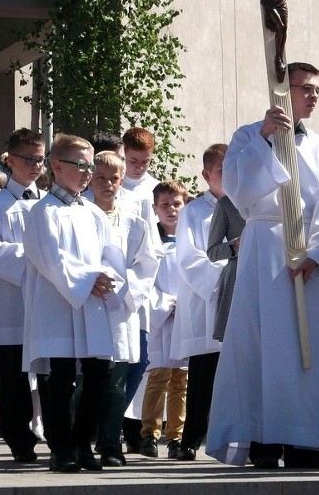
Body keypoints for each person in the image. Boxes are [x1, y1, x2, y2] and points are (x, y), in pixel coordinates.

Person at [206, 61, 319, 469]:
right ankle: (263, 440)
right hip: (262, 248)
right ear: (283, 91)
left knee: (304, 352)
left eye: (318, 90)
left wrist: (315, 254)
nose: (313, 96)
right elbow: (236, 188)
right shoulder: (249, 135)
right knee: (258, 347)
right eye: (306, 88)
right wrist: (266, 139)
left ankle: (303, 442)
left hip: (304, 255)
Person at [22, 134, 126, 473]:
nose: (87, 172)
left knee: (98, 373)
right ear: (57, 166)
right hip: (57, 304)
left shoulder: (93, 212)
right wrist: (87, 279)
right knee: (61, 378)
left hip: (91, 304)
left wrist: (108, 277)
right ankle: (61, 447)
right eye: (80, 165)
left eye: (90, 165)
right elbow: (49, 258)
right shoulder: (43, 211)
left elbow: (111, 253)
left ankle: (83, 442)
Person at [0, 128, 46, 464]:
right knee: (14, 374)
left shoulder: (49, 203)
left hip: (44, 303)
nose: (35, 165)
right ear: (10, 160)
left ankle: (47, 428)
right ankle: (17, 435)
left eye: (40, 159)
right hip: (9, 304)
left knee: (46, 370)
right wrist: (36, 257)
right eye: (28, 159)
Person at [89, 151, 160, 467]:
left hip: (121, 309)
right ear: (90, 178)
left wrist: (124, 285)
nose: (108, 184)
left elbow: (148, 262)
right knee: (88, 378)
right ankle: (78, 436)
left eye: (114, 179)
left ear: (123, 180)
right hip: (88, 303)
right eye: (101, 178)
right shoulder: (80, 214)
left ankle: (110, 444)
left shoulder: (135, 220)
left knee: (118, 379)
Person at [171, 144, 228, 461]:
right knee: (203, 376)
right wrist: (223, 279)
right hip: (209, 304)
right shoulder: (193, 212)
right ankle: (191, 438)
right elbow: (189, 258)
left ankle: (237, 439)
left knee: (235, 376)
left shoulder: (246, 208)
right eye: (222, 170)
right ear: (207, 175)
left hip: (238, 304)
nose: (229, 176)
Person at [139, 180, 189, 459]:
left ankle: (176, 436)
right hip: (161, 315)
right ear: (155, 209)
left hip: (184, 316)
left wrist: (186, 303)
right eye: (165, 205)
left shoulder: (191, 240)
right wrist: (164, 304)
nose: (171, 210)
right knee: (158, 376)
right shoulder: (151, 242)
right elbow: (146, 279)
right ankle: (149, 434)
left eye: (176, 204)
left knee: (181, 379)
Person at [206, 195, 245, 343]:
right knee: (238, 342)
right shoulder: (226, 204)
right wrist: (237, 244)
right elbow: (213, 252)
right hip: (237, 277)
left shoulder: (277, 198)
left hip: (272, 273)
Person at [121, 127, 159, 201]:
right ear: (122, 155)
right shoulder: (108, 187)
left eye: (145, 162)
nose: (140, 168)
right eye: (133, 161)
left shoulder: (158, 190)